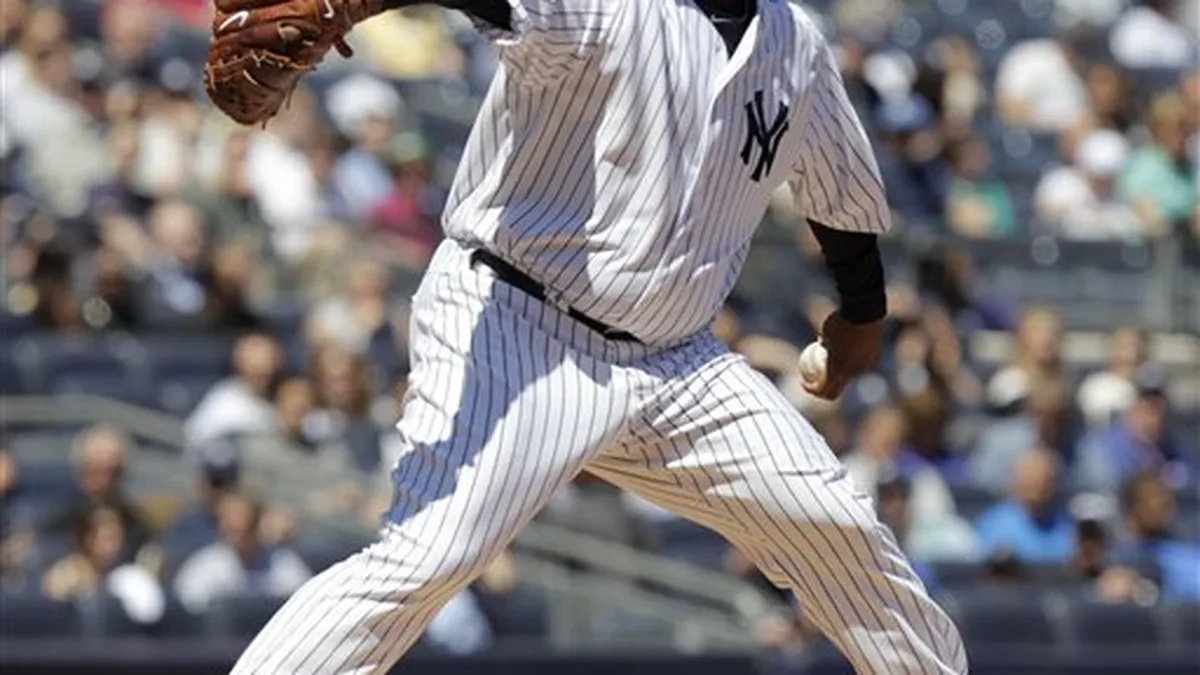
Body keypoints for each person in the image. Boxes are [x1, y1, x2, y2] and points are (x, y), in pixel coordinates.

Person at [216, 0, 967, 672]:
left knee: (840, 532)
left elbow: (839, 189)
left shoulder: (795, 42)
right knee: (430, 555)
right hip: (521, 322)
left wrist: (862, 312)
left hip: (679, 365)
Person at [173, 491, 312, 614]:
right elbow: (189, 608)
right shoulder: (203, 567)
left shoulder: (284, 564)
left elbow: (305, 605)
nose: (239, 535)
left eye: (246, 526)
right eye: (232, 529)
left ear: (257, 524)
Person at [974, 448, 1076, 565]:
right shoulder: (994, 524)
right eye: (1029, 481)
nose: (1037, 491)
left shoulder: (1066, 528)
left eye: (1045, 483)